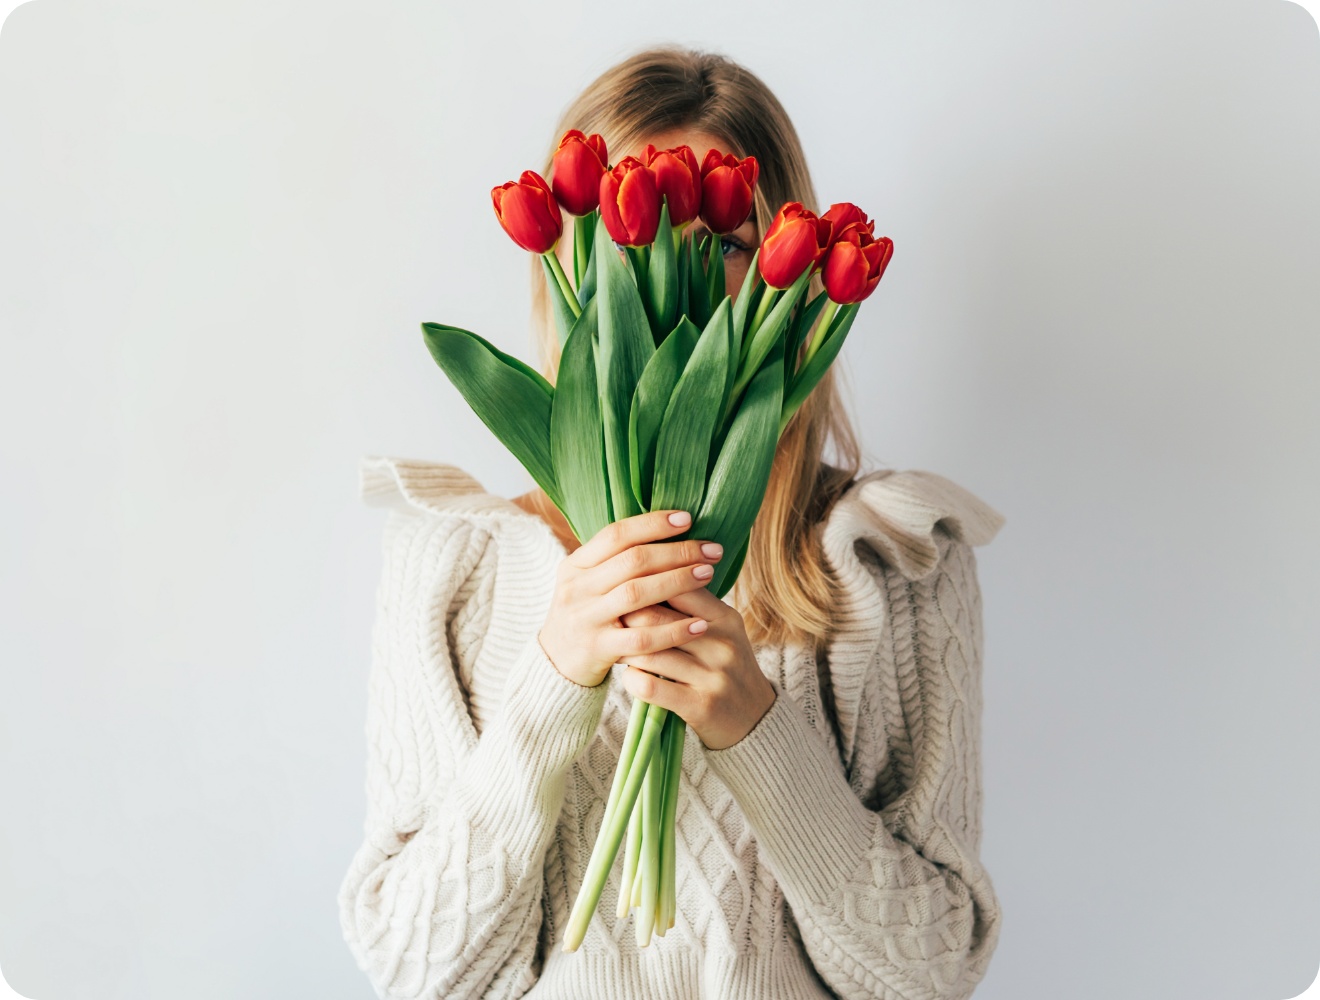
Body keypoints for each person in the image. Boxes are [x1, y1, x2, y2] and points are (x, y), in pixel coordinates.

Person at [338, 45, 1007, 1000]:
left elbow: (933, 973)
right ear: (569, 253)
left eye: (720, 243)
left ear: (790, 262)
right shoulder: (455, 568)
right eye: (629, 235)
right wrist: (552, 688)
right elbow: (412, 968)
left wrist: (759, 735)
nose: (668, 278)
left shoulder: (887, 562)